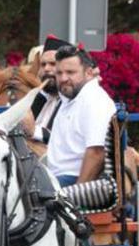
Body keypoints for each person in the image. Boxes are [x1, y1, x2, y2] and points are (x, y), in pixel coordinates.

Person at [45, 45, 116, 187]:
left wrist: (76, 193)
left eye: (70, 72)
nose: (63, 78)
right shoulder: (71, 98)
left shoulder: (94, 100)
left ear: (89, 73)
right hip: (56, 178)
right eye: (59, 73)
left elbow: (97, 152)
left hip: (72, 181)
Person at [25, 35, 69, 143]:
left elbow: (68, 140)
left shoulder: (72, 101)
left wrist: (34, 131)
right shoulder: (39, 98)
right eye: (43, 64)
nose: (46, 69)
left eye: (53, 64)